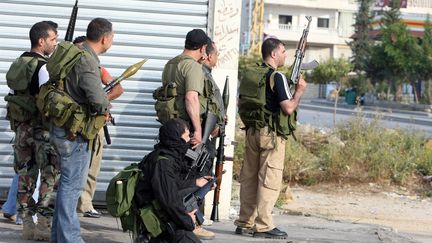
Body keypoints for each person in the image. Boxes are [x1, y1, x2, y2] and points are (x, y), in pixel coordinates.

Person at [234, 38, 307, 239]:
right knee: (269, 178)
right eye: (283, 51)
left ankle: (244, 222)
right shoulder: (277, 77)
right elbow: (288, 107)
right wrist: (299, 91)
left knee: (249, 178)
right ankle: (264, 226)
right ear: (273, 54)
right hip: (271, 134)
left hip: (252, 131)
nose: (285, 55)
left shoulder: (251, 74)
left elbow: (240, 104)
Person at [49, 18, 111, 243]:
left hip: (61, 127)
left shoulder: (76, 52)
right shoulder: (87, 60)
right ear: (105, 38)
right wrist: (105, 106)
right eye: (112, 38)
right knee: (72, 186)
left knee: (67, 183)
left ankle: (59, 235)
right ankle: (70, 238)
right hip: (72, 132)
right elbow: (97, 98)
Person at [4, 20, 59, 241]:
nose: (56, 44)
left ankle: (27, 223)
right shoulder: (43, 67)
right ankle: (43, 226)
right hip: (42, 131)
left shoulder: (18, 63)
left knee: (25, 176)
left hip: (22, 130)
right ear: (41, 40)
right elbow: (50, 102)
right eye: (53, 39)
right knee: (48, 177)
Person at [159, 29, 215, 240]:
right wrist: (198, 130)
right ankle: (192, 223)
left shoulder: (170, 64)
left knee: (176, 176)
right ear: (202, 48)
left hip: (171, 130)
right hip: (187, 132)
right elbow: (191, 98)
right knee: (194, 174)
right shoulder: (193, 67)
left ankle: (174, 219)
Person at [135, 118, 214, 243]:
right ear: (176, 138)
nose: (190, 140)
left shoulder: (169, 157)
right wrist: (188, 221)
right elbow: (169, 201)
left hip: (166, 217)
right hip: (161, 220)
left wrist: (197, 183)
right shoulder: (163, 163)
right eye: (187, 136)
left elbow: (173, 185)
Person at [73, 35, 124, 218]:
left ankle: (85, 204)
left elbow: (117, 88)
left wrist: (102, 101)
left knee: (92, 166)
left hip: (94, 124)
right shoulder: (69, 67)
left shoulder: (96, 68)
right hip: (74, 124)